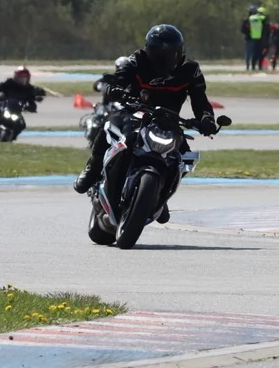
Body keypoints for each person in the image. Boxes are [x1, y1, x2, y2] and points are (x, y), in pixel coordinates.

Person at [72, 25, 218, 224]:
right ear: (148, 50)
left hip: (168, 121)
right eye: (158, 53)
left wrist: (207, 120)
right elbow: (118, 80)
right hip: (134, 113)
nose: (164, 59)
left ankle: (160, 194)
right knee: (110, 128)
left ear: (180, 52)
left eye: (170, 53)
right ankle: (92, 168)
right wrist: (115, 90)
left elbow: (200, 100)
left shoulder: (190, 71)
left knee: (181, 155)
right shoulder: (136, 60)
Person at [0, 66, 46, 139]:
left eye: (25, 78)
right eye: (20, 77)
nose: (22, 80)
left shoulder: (29, 89)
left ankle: (13, 137)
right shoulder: (10, 83)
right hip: (3, 105)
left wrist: (31, 107)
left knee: (21, 125)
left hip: (16, 110)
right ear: (16, 77)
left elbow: (32, 101)